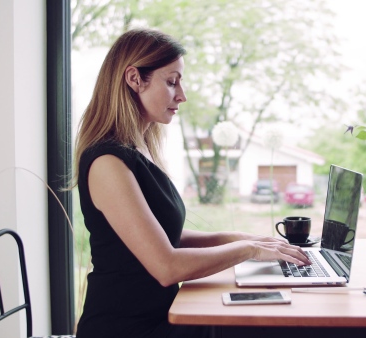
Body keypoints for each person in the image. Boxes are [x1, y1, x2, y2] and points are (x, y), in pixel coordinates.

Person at [73, 28, 311, 338]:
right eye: (171, 82)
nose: (182, 95)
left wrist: (239, 238)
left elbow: (164, 236)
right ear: (134, 79)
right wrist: (248, 249)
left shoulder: (138, 148)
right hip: (127, 329)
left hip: (162, 316)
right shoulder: (108, 162)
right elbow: (167, 266)